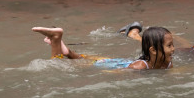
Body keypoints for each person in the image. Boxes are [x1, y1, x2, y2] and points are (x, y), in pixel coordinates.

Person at [32, 25, 174, 70]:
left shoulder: (167, 63)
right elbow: (120, 72)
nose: (173, 49)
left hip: (120, 61)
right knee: (58, 65)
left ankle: (66, 50)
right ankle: (56, 39)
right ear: (153, 50)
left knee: (83, 58)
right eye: (169, 45)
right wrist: (107, 73)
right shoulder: (139, 67)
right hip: (112, 66)